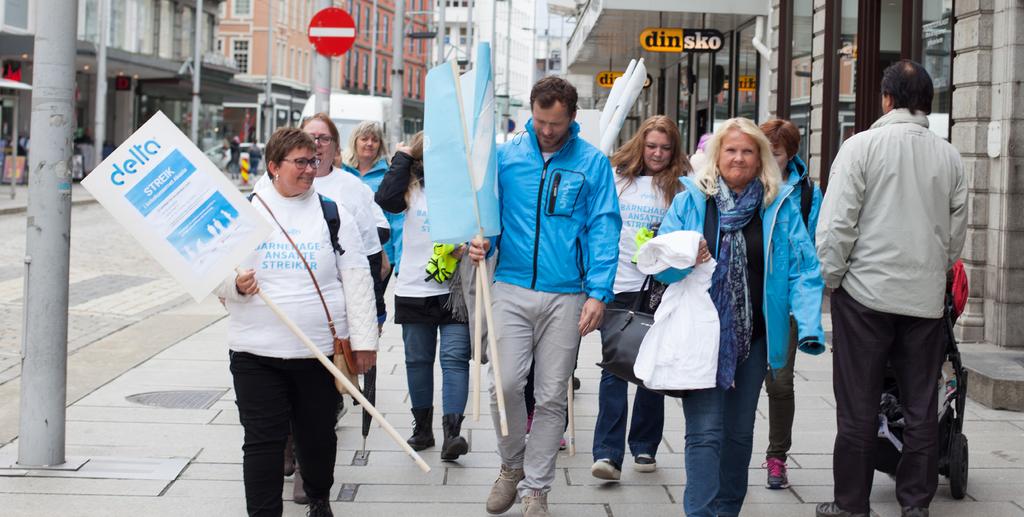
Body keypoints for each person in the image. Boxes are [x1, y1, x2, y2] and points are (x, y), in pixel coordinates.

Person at [814, 60, 967, 517]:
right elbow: (956, 237)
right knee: (921, 404)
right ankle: (915, 506)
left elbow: (836, 226)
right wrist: (934, 272)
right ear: (927, 102)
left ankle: (851, 505)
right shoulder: (950, 156)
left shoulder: (860, 147)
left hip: (864, 296)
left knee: (857, 405)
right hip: (923, 300)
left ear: (886, 99)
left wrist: (833, 280)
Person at [655, 117, 825, 517]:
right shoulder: (691, 201)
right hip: (700, 337)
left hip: (755, 337)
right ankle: (699, 512)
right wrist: (682, 259)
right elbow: (658, 263)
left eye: (748, 151)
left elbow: (803, 268)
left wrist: (809, 327)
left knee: (737, 433)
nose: (738, 157)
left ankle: (727, 509)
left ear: (761, 158)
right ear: (716, 155)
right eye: (730, 150)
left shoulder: (778, 207)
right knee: (704, 433)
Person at [468, 76, 621, 517]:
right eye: (539, 121)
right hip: (510, 286)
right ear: (530, 113)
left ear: (572, 118)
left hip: (567, 293)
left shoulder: (592, 164)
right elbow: (486, 218)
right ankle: (511, 465)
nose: (547, 130)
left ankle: (537, 487)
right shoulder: (505, 157)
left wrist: (598, 293)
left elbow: (604, 228)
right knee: (507, 384)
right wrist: (479, 243)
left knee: (552, 394)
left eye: (555, 123)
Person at [215, 127, 379, 517]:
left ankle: (319, 499)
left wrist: (364, 343)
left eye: (314, 161)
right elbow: (215, 275)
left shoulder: (330, 212)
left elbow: (356, 276)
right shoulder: (245, 213)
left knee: (317, 437)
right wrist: (236, 284)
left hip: (318, 351)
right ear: (273, 166)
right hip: (255, 350)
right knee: (262, 442)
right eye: (301, 162)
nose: (310, 169)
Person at [591, 115, 691, 481]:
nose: (658, 153)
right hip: (617, 283)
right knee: (615, 366)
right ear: (640, 144)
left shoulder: (682, 185)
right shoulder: (618, 178)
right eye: (651, 146)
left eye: (665, 147)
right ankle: (607, 453)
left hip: (660, 288)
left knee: (652, 367)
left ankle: (645, 444)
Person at [375, 132, 472, 460]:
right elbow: (385, 199)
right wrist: (404, 154)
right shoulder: (408, 187)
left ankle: (453, 434)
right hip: (415, 286)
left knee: (454, 359)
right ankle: (422, 429)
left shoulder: (464, 188)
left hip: (454, 289)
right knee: (417, 361)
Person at [757, 118, 823, 490]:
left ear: (791, 156)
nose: (768, 159)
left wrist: (806, 306)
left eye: (775, 153)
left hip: (787, 305)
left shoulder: (809, 193)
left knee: (780, 384)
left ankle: (777, 456)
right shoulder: (745, 184)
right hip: (747, 299)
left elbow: (813, 250)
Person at [342, 121, 403, 279]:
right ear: (355, 141)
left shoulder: (388, 175)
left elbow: (396, 219)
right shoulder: (341, 171)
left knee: (375, 301)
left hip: (381, 254)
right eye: (364, 139)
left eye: (375, 140)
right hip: (345, 250)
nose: (370, 143)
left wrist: (398, 261)